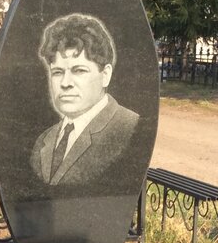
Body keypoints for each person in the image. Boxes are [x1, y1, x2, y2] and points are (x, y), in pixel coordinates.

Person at [31, 13, 139, 186]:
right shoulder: (45, 140)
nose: (65, 83)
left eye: (79, 71)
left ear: (105, 75)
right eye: (57, 72)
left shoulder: (130, 129)